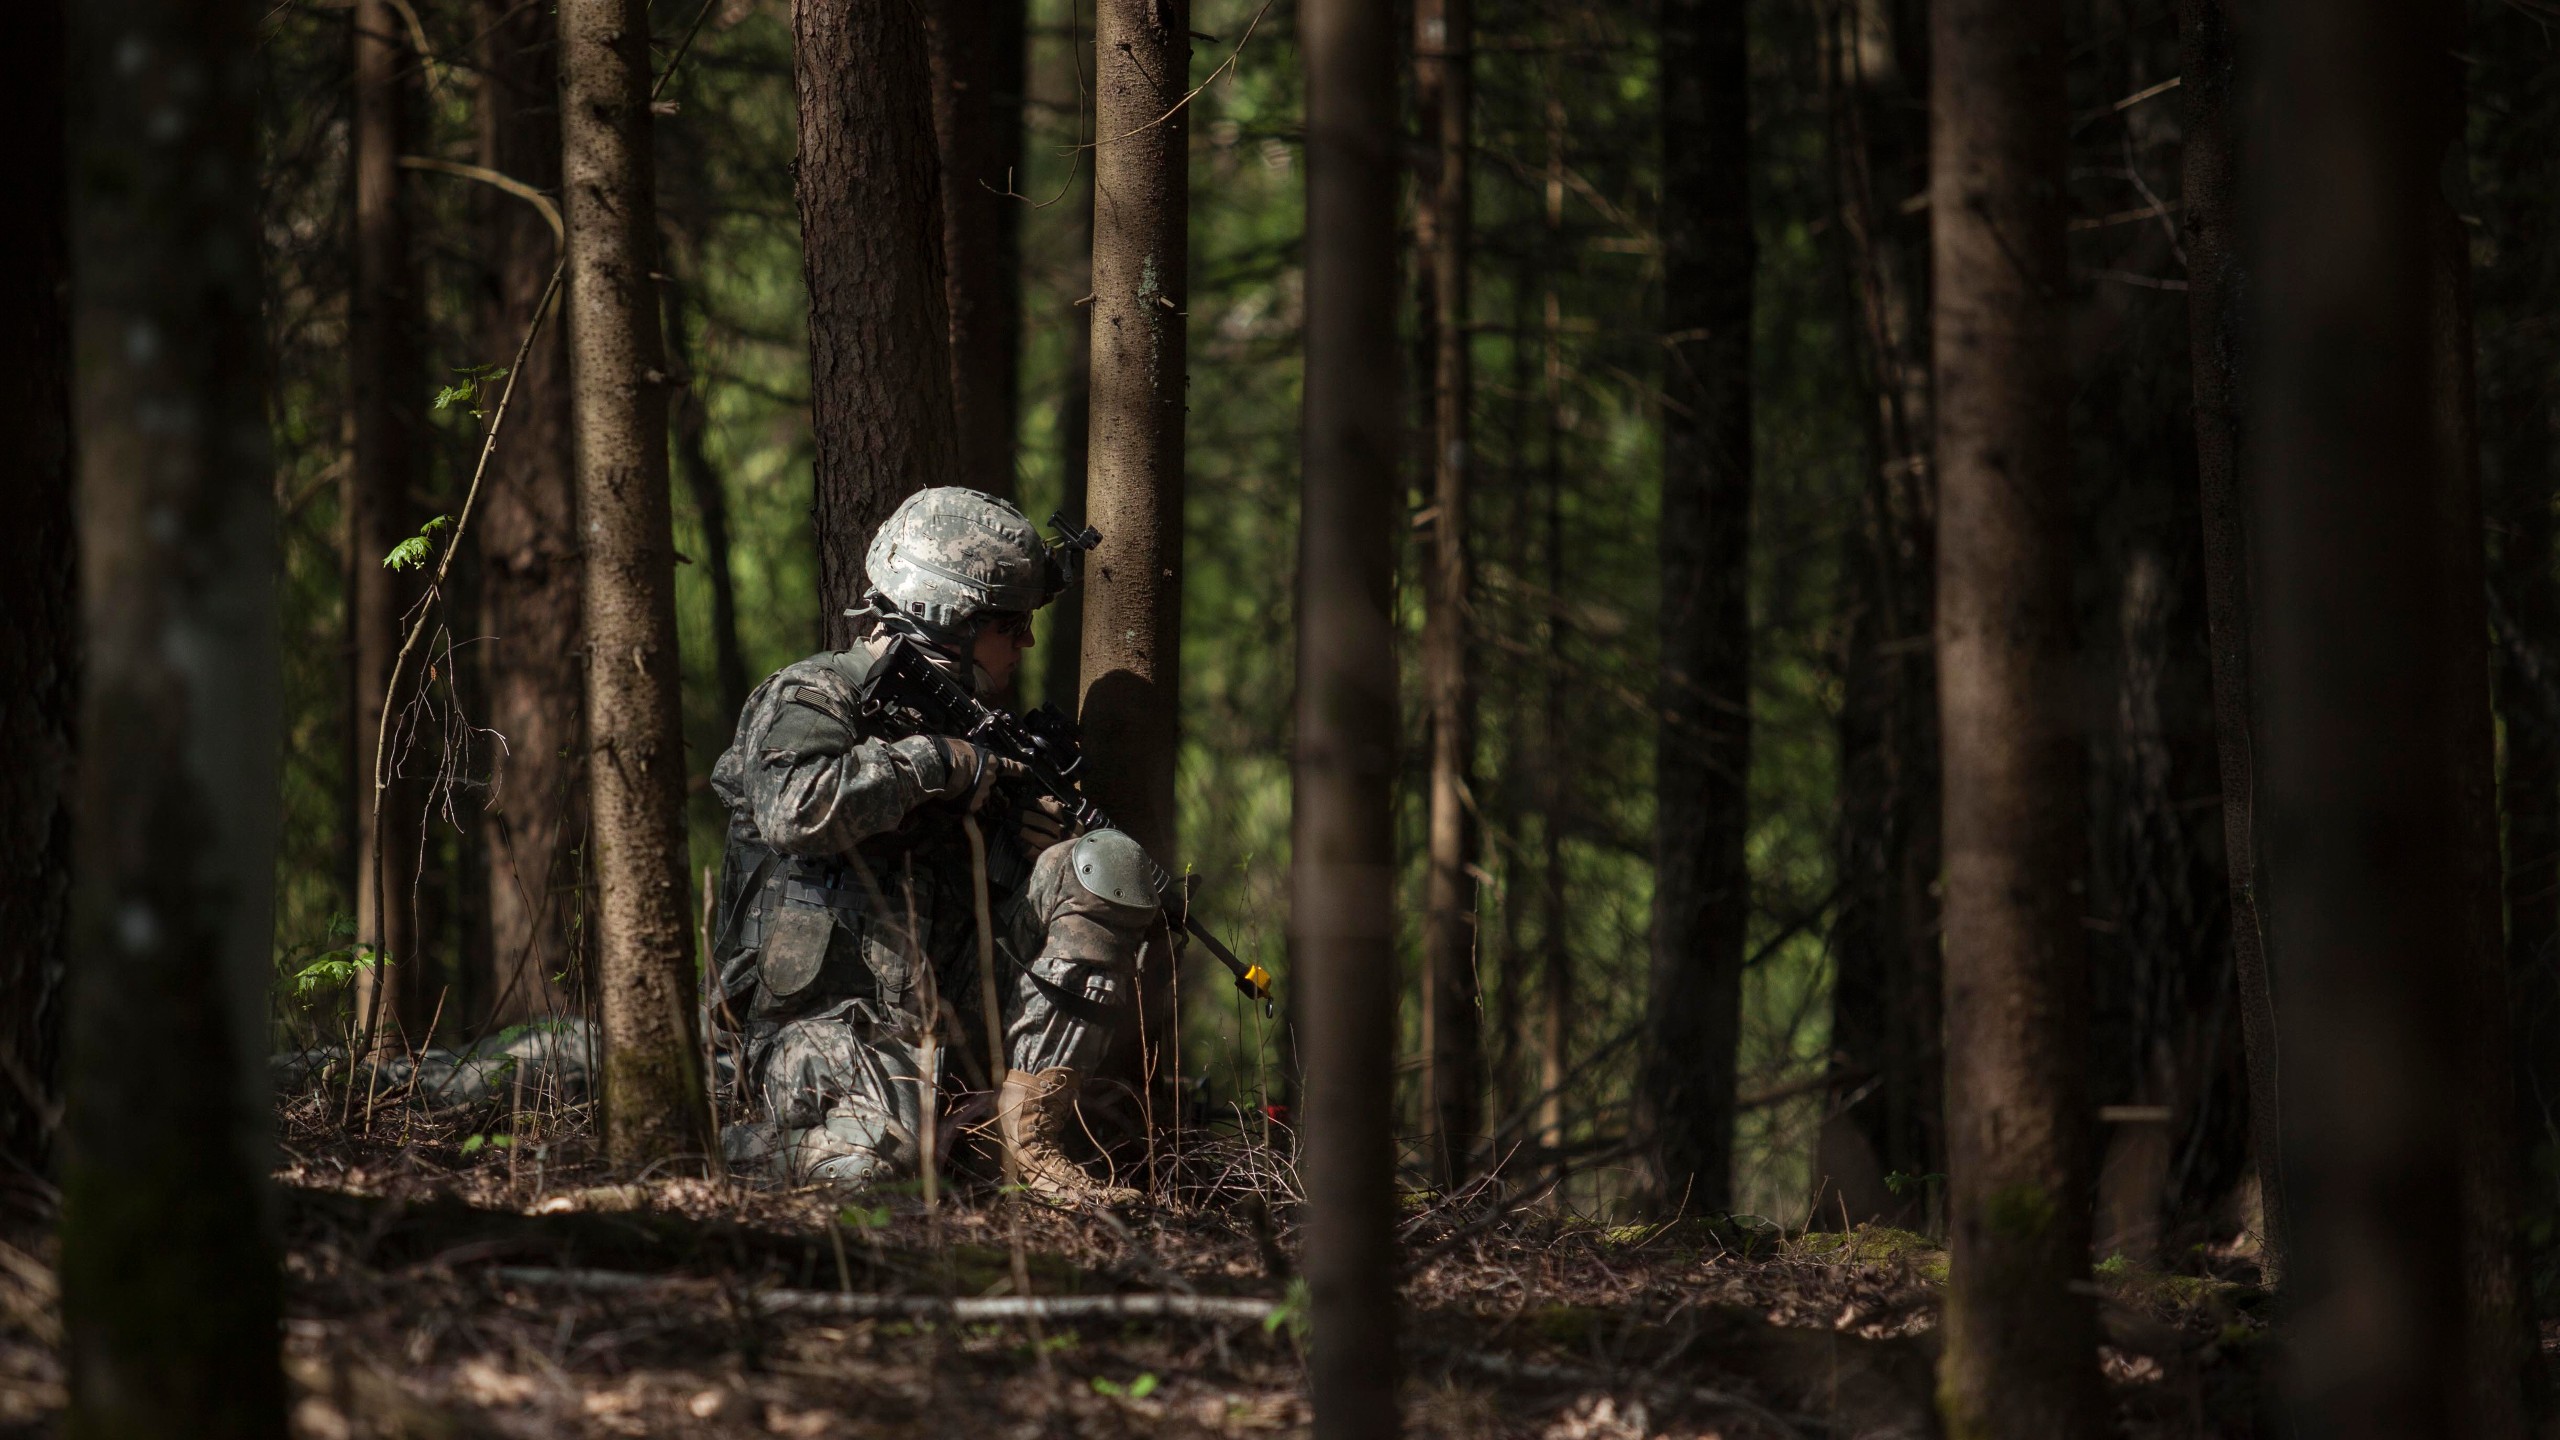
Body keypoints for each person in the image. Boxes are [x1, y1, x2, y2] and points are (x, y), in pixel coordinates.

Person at [708, 487, 1156, 1202]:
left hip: (946, 1026)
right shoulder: (817, 696)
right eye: (1011, 624)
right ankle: (700, 1145)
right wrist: (933, 764)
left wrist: (1031, 853)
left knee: (1103, 865)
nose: (1027, 643)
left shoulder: (990, 739)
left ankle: (1024, 1146)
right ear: (947, 620)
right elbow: (796, 809)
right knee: (875, 1165)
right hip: (816, 1031)